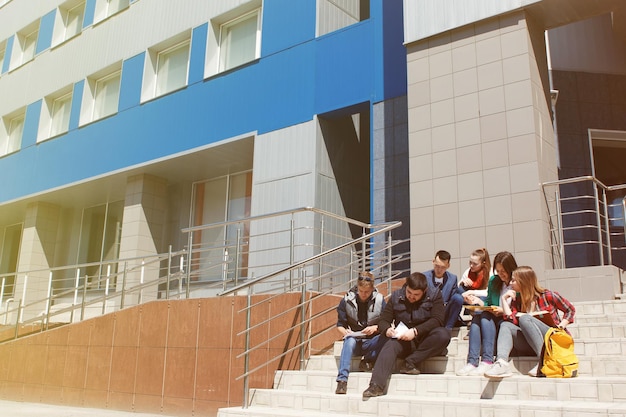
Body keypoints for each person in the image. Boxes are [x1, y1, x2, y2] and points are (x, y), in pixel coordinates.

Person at [362, 272, 451, 398]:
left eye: (416, 295)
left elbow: (438, 320)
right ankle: (376, 386)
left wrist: (415, 331)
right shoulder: (396, 296)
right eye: (409, 292)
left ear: (424, 291)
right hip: (404, 341)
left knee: (443, 335)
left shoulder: (435, 295)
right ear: (406, 287)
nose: (411, 297)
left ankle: (410, 362)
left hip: (425, 339)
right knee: (390, 345)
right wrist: (386, 329)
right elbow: (384, 320)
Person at [484, 265, 576, 378]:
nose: (511, 283)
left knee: (525, 318)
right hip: (530, 343)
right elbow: (510, 318)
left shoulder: (548, 295)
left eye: (514, 280)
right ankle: (502, 363)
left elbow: (570, 310)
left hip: (552, 340)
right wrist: (503, 299)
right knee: (506, 325)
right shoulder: (517, 300)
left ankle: (544, 361)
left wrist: (560, 326)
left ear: (523, 281)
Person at [456, 251, 517, 376]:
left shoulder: (517, 282)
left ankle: (487, 360)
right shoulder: (495, 281)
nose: (501, 275)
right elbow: (488, 303)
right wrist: (477, 301)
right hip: (493, 317)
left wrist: (503, 311)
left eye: (503, 271)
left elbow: (520, 309)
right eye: (498, 271)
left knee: (483, 316)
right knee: (479, 315)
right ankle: (472, 362)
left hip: (508, 321)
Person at [334, 271, 387, 394]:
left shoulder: (380, 300)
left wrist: (376, 328)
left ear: (372, 289)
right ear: (357, 288)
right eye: (361, 291)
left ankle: (368, 360)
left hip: (372, 342)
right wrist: (346, 332)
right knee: (349, 340)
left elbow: (386, 323)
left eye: (367, 292)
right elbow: (340, 325)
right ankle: (342, 381)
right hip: (355, 341)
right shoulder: (347, 300)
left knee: (387, 337)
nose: (363, 294)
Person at [444, 248, 490, 330]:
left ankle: (476, 323)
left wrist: (472, 292)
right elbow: (458, 289)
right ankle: (452, 322)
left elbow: (489, 292)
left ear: (483, 263)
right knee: (459, 291)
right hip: (469, 299)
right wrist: (462, 282)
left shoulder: (490, 272)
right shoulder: (468, 271)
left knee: (483, 298)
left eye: (475, 264)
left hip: (482, 300)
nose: (471, 265)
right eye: (470, 262)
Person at [423, 250, 458, 329]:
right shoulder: (424, 277)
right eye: (437, 266)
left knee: (458, 298)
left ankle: (449, 328)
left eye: (443, 267)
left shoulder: (452, 279)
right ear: (433, 261)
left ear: (448, 266)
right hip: (429, 312)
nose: (439, 270)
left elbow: (453, 298)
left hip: (445, 311)